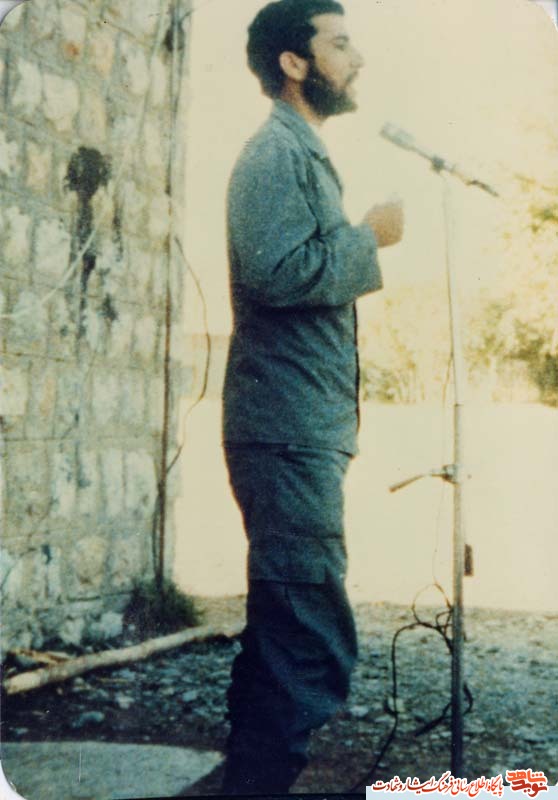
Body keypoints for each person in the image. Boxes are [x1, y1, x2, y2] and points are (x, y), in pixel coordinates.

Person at [221, 0, 404, 793]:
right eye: (339, 43)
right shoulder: (274, 153)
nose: (356, 58)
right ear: (293, 63)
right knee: (307, 632)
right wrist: (368, 238)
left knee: (285, 622)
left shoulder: (299, 151)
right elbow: (277, 273)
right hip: (286, 430)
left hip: (299, 427)